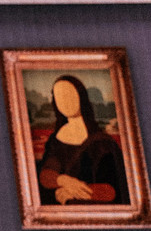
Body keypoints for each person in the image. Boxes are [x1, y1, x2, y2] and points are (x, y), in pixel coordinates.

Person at [37, 75, 129, 204]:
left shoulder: (103, 142)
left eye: (69, 95)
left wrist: (74, 192)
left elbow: (114, 189)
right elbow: (47, 173)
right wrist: (63, 180)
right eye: (59, 96)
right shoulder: (56, 138)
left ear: (81, 97)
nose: (64, 101)